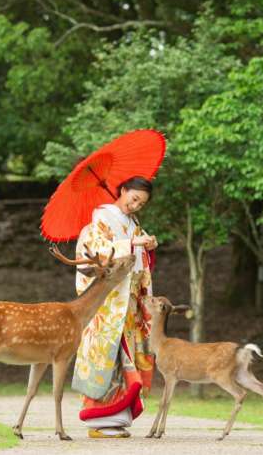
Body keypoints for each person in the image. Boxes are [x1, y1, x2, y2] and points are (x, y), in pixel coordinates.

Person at [71, 176, 158, 438]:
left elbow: (139, 260)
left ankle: (117, 418)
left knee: (125, 357)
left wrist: (148, 246)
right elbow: (95, 251)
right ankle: (98, 420)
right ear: (122, 191)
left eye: (141, 204)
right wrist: (131, 244)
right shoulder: (103, 217)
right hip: (107, 302)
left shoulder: (132, 223)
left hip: (127, 300)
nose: (135, 206)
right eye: (133, 199)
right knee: (107, 355)